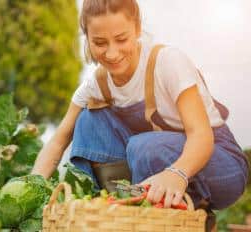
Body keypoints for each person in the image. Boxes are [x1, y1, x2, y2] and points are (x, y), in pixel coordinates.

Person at [31, 0, 249, 210]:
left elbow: (201, 136)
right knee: (89, 120)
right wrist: (30, 190)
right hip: (151, 160)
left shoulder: (167, 63)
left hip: (219, 163)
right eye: (100, 43)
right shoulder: (96, 85)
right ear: (87, 38)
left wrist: (177, 173)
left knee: (144, 147)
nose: (112, 53)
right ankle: (115, 208)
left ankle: (192, 210)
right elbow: (58, 142)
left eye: (121, 39)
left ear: (137, 29)